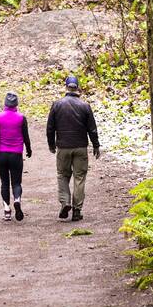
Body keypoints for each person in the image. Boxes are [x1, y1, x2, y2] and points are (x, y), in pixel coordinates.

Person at [46, 74, 100, 222]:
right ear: (78, 88)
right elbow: (92, 129)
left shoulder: (57, 105)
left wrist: (51, 144)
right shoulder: (85, 106)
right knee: (79, 177)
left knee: (63, 175)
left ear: (66, 87)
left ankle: (65, 202)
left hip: (63, 147)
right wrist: (96, 145)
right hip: (80, 147)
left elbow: (50, 128)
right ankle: (77, 210)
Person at [0, 91, 32, 221]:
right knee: (16, 182)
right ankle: (17, 199)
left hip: (1, 155)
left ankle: (7, 210)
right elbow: (26, 137)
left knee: (4, 183)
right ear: (16, 104)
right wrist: (29, 149)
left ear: (5, 103)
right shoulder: (21, 118)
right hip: (16, 155)